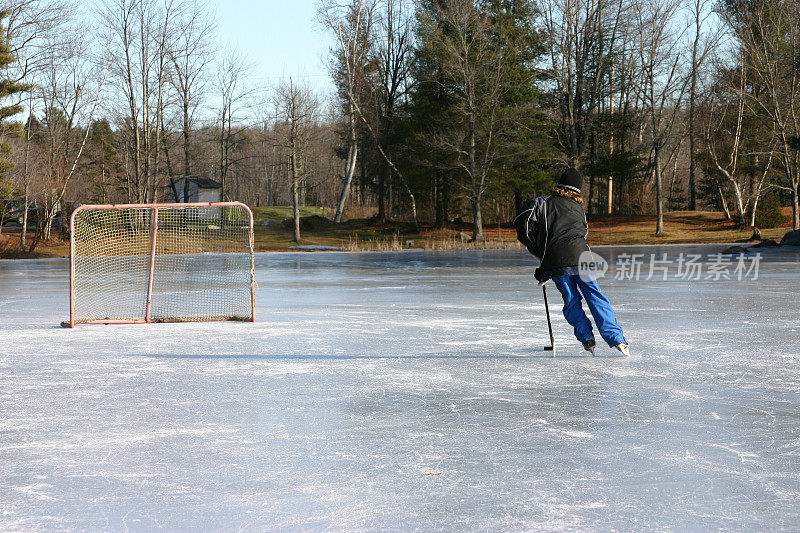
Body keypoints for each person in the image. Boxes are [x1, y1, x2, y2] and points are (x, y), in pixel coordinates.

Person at [514, 168, 629, 356]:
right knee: (595, 296)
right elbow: (583, 233)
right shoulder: (578, 209)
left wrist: (540, 252)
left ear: (559, 185)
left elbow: (522, 223)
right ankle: (617, 339)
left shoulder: (540, 203)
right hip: (582, 258)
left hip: (557, 261)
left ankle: (586, 338)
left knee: (571, 299)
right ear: (577, 190)